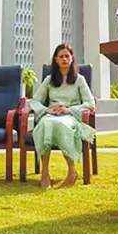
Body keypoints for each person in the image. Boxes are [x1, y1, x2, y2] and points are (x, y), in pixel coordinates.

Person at [29, 43, 96, 189]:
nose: (64, 59)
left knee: (60, 125)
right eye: (61, 57)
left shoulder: (79, 79)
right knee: (45, 124)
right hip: (51, 115)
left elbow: (90, 103)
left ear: (72, 58)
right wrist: (47, 110)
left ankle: (72, 171)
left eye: (67, 56)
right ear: (56, 60)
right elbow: (35, 101)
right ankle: (45, 173)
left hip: (70, 116)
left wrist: (69, 109)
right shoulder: (49, 79)